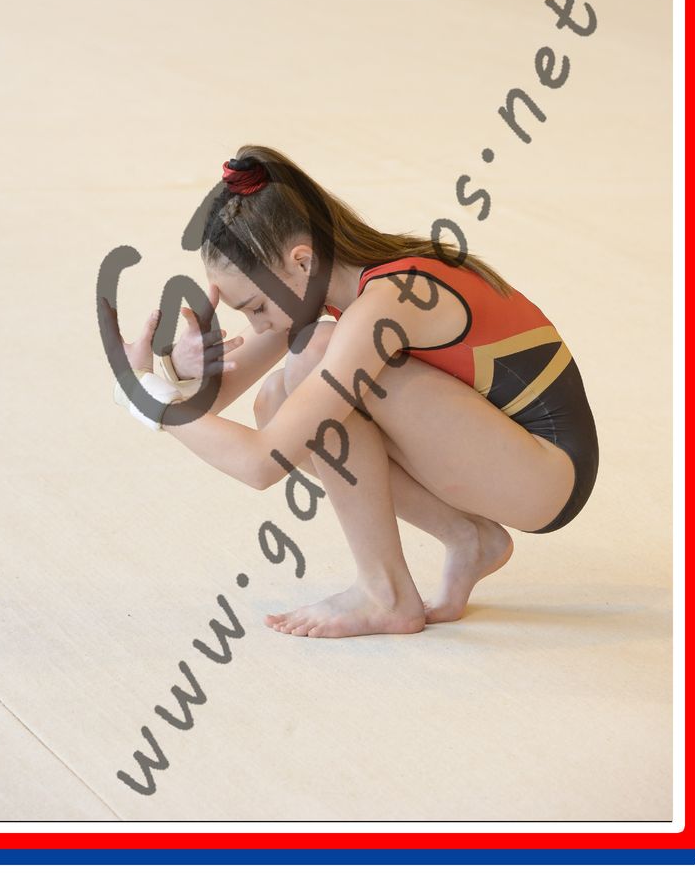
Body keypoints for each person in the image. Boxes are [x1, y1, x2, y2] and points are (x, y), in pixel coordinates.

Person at [99, 145, 599, 639]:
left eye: (255, 308)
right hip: (508, 457)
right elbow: (207, 407)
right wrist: (178, 372)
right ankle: (467, 537)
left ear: (302, 261)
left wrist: (145, 394)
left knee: (311, 355)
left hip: (547, 475)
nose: (258, 324)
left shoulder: (385, 303)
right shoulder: (320, 287)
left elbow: (260, 463)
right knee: (276, 400)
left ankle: (385, 594)